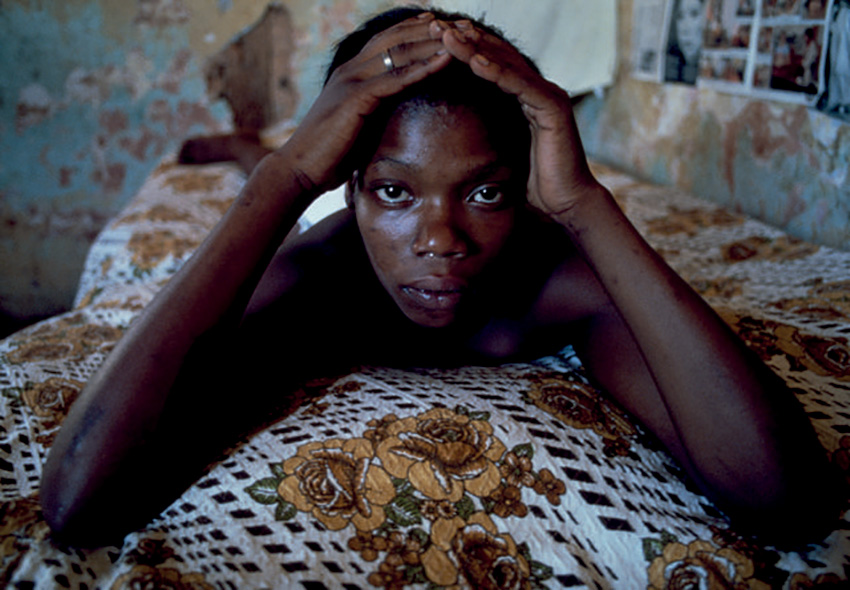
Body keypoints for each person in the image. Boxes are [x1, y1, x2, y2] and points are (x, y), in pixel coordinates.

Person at [40, 7, 840, 548]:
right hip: (330, 225)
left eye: (486, 192)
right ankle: (243, 148)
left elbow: (786, 500)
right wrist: (284, 175)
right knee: (257, 170)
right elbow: (79, 502)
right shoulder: (318, 278)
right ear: (354, 185)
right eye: (394, 191)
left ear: (524, 188)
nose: (440, 241)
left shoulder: (554, 280)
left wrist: (583, 204)